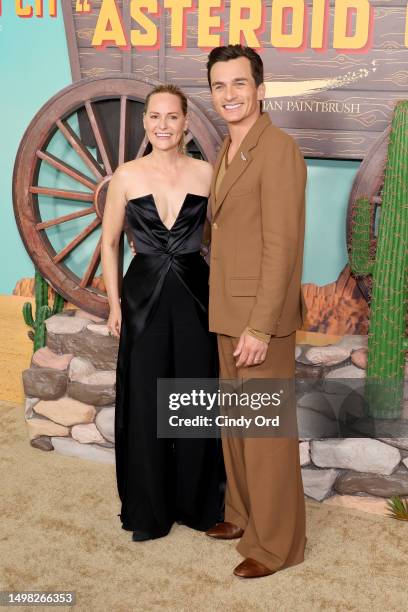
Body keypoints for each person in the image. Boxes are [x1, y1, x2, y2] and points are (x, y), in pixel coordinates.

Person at [101, 84, 225, 542]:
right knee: (148, 402)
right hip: (142, 297)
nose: (162, 125)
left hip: (196, 294)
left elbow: (223, 238)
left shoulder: (207, 173)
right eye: (154, 116)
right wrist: (114, 305)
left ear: (186, 122)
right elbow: (110, 242)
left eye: (172, 117)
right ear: (145, 122)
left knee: (193, 399)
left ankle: (196, 505)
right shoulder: (127, 176)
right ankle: (150, 510)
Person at [204, 45, 307, 578]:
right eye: (219, 86)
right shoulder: (229, 148)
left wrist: (261, 325)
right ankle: (242, 516)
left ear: (260, 89)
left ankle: (277, 546)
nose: (229, 95)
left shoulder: (279, 149)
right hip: (228, 308)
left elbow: (281, 246)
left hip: (257, 318)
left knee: (265, 433)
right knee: (236, 426)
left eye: (239, 84)